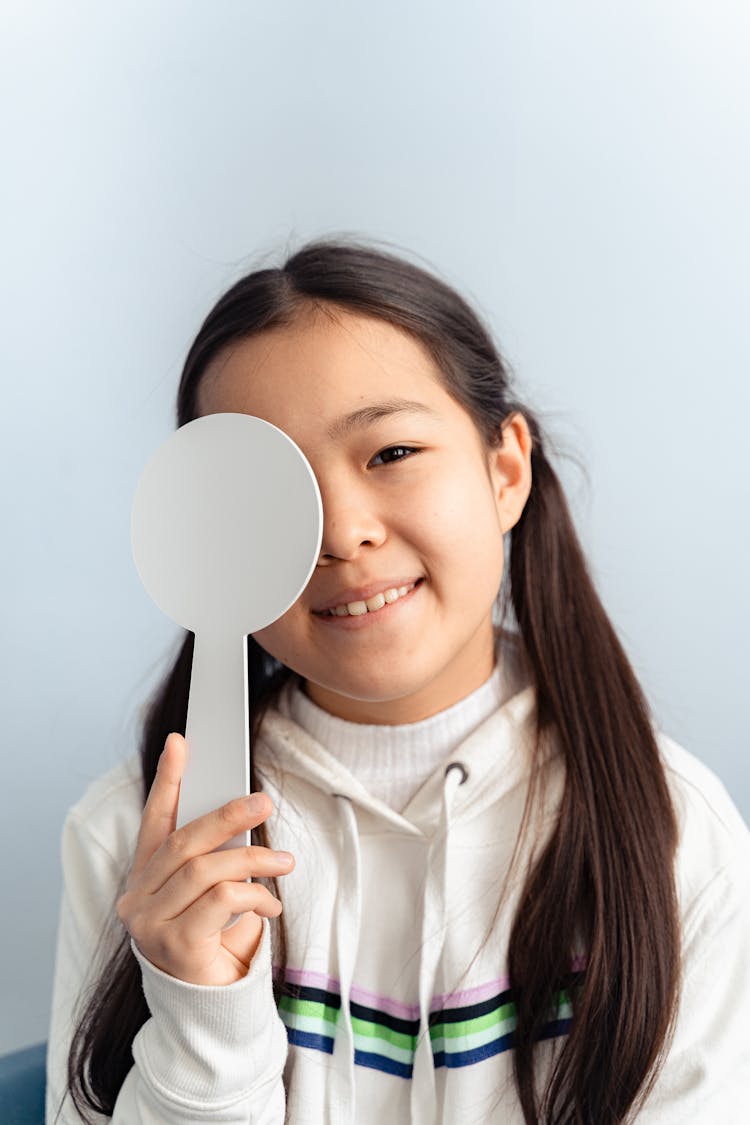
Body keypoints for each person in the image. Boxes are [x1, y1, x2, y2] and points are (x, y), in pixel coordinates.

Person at [47, 238, 750, 1124]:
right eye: (280, 490)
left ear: (506, 471)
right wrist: (203, 1014)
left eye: (390, 453)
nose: (341, 532)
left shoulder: (678, 836)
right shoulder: (131, 839)